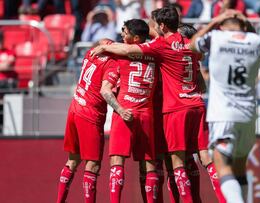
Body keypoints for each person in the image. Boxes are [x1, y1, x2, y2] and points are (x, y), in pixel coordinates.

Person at [90, 6, 223, 203]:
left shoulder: (159, 46)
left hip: (172, 109)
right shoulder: (189, 44)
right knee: (203, 158)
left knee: (172, 163)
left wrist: (105, 46)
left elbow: (128, 48)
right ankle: (221, 199)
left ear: (161, 26)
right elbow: (200, 62)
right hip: (196, 104)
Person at [190, 10, 260, 203]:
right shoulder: (256, 41)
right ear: (244, 25)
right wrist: (245, 22)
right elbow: (257, 41)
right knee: (240, 165)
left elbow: (193, 44)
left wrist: (215, 21)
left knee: (222, 164)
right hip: (248, 113)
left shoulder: (216, 38)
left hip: (223, 113)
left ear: (222, 26)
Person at [99, 19, 160, 203]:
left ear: (135, 38)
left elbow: (105, 90)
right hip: (146, 115)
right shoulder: (156, 52)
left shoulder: (120, 56)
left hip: (124, 113)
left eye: (124, 32)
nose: (121, 34)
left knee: (117, 162)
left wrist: (120, 109)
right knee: (148, 164)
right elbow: (158, 37)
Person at [56, 39, 119, 203]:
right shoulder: (112, 64)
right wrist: (120, 109)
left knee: (73, 160)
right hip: (90, 114)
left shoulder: (90, 53)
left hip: (75, 107)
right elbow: (106, 91)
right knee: (93, 165)